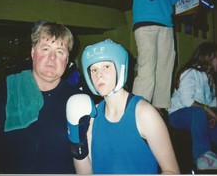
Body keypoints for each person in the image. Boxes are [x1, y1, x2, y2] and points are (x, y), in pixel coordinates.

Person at [0, 22, 84, 174]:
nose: (52, 58)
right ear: (32, 53)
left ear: (67, 59)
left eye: (60, 52)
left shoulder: (77, 100)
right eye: (45, 49)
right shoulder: (7, 91)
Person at [67, 39, 179, 174]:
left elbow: (172, 171)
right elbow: (85, 173)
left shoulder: (144, 113)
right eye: (94, 69)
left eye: (106, 66)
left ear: (121, 68)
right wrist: (77, 144)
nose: (99, 74)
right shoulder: (92, 116)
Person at [130, 0, 195, 110]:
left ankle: (158, 110)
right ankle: (137, 112)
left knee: (164, 72)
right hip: (146, 25)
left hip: (166, 25)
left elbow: (170, 0)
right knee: (147, 70)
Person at [168, 42, 217, 170]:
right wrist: (208, 110)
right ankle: (202, 156)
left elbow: (213, 102)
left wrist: (212, 116)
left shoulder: (209, 78)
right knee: (198, 112)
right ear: (208, 57)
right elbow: (187, 101)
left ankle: (216, 166)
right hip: (179, 115)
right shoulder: (190, 73)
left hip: (200, 118)